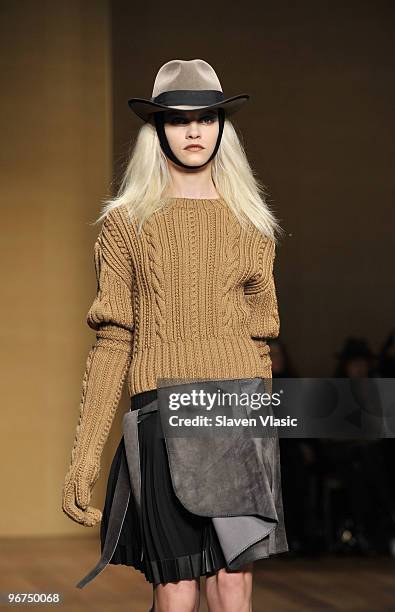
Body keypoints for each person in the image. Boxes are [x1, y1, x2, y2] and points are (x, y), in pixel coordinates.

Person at [62, 58, 288, 612]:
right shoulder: (126, 224)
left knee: (234, 581)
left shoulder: (251, 223)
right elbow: (114, 340)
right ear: (157, 130)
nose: (193, 130)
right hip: (162, 413)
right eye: (178, 119)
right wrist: (85, 457)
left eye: (206, 118)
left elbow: (262, 336)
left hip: (235, 410)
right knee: (177, 585)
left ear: (221, 128)